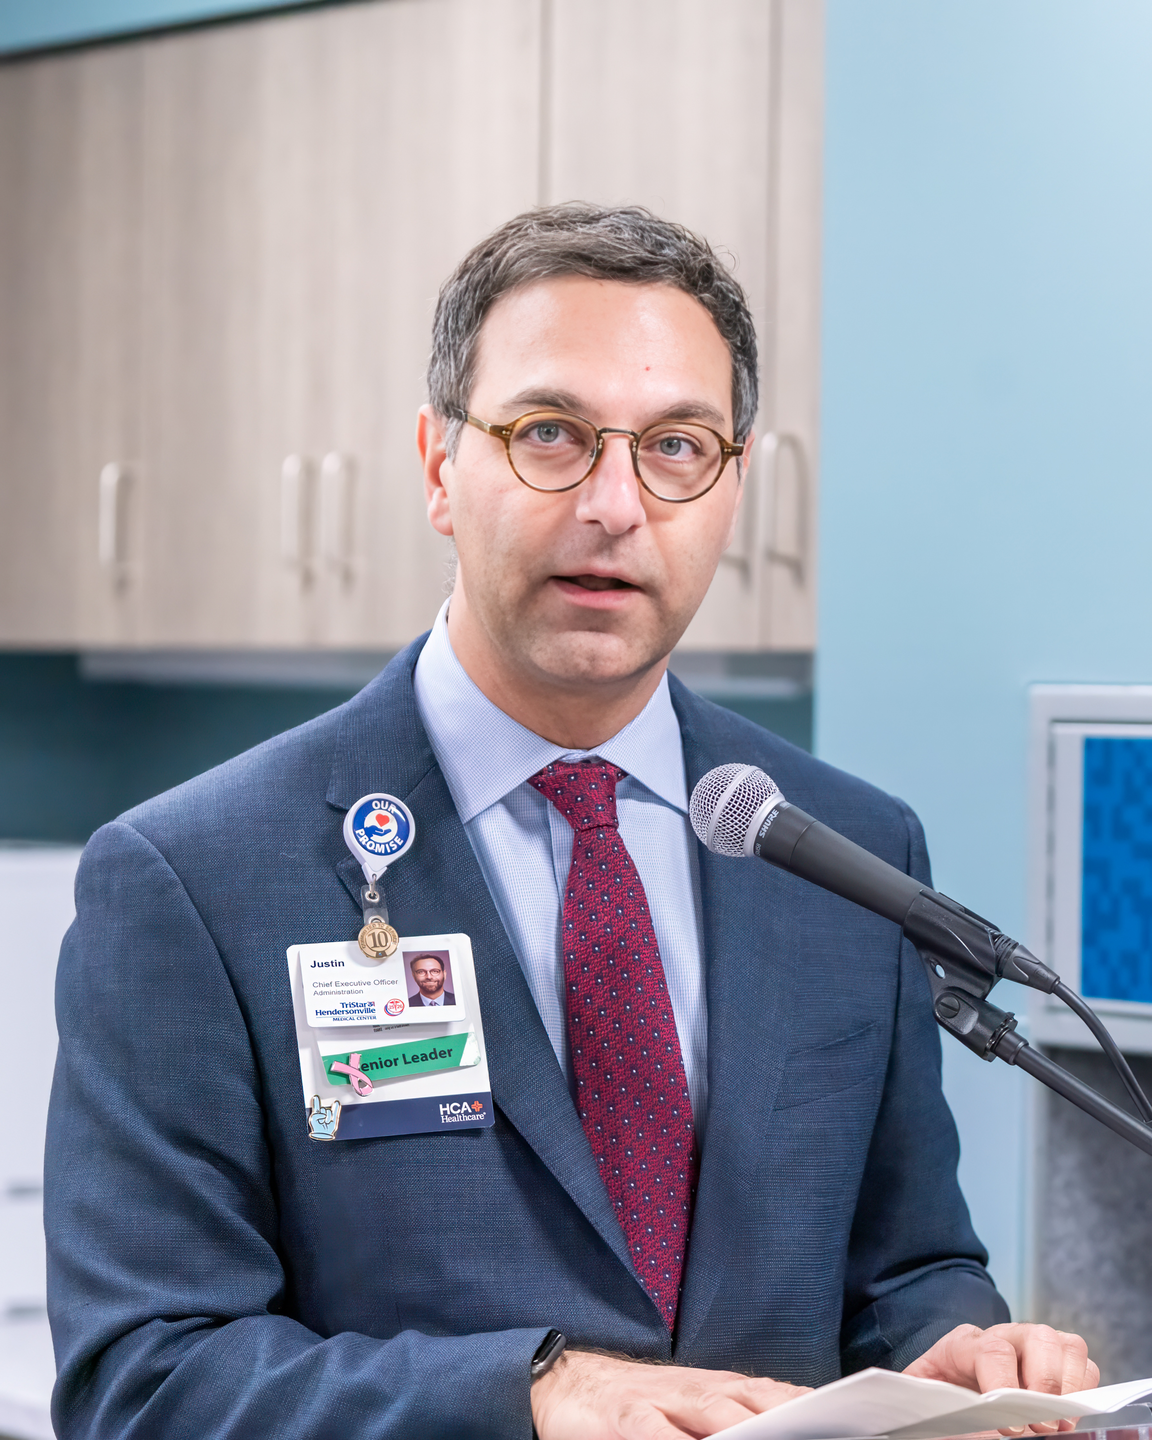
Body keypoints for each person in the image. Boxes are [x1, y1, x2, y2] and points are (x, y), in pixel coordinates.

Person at [46, 205, 1097, 1440]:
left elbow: (904, 1268)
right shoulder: (193, 880)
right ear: (441, 465)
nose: (615, 502)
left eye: (677, 445)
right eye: (550, 434)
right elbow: (145, 1379)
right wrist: (530, 1394)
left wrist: (958, 1352)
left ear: (735, 483)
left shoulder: (846, 854)